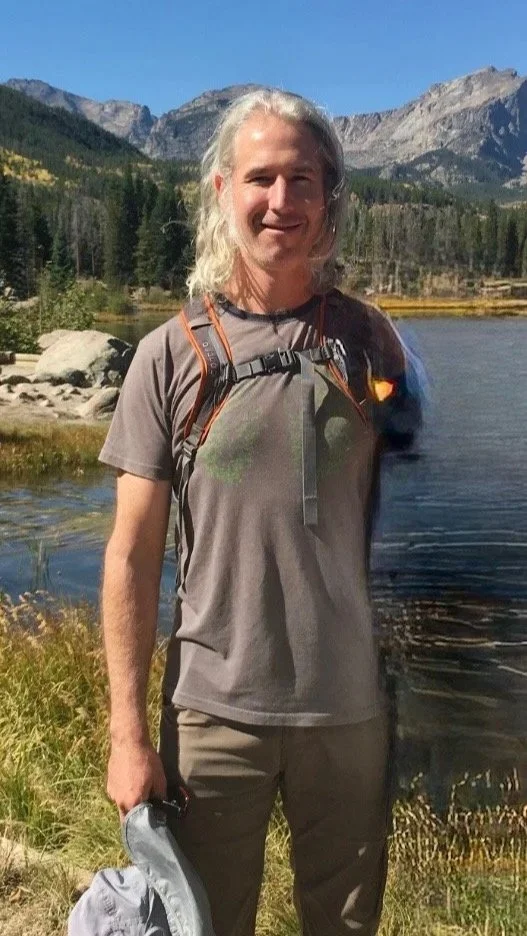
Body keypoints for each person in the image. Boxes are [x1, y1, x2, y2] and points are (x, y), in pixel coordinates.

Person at [100, 87, 420, 936]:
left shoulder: (373, 344)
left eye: (302, 179)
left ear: (329, 196)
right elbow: (130, 555)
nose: (281, 200)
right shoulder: (169, 355)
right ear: (222, 191)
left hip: (350, 712)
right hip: (212, 713)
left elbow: (412, 523)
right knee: (206, 925)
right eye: (260, 177)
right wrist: (128, 735)